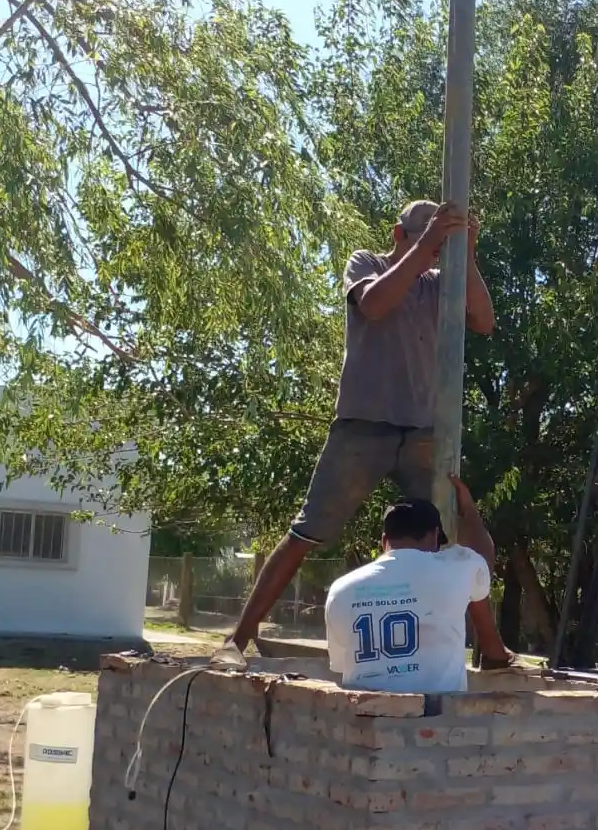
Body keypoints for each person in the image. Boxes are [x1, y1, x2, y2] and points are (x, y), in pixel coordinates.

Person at [219, 199, 495, 664]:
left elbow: (484, 322)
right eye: (424, 236)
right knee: (307, 532)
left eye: (441, 240)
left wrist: (465, 253)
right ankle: (236, 641)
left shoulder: (441, 286)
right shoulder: (367, 264)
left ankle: (491, 650)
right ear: (398, 233)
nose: (433, 250)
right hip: (362, 428)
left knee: (463, 535)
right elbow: (373, 304)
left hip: (424, 433)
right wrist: (428, 243)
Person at [325, 476, 513, 693]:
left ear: (384, 540)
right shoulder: (455, 571)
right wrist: (469, 510)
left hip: (367, 719)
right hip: (436, 720)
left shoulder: (341, 589)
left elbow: (341, 664)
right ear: (434, 536)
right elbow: (482, 561)